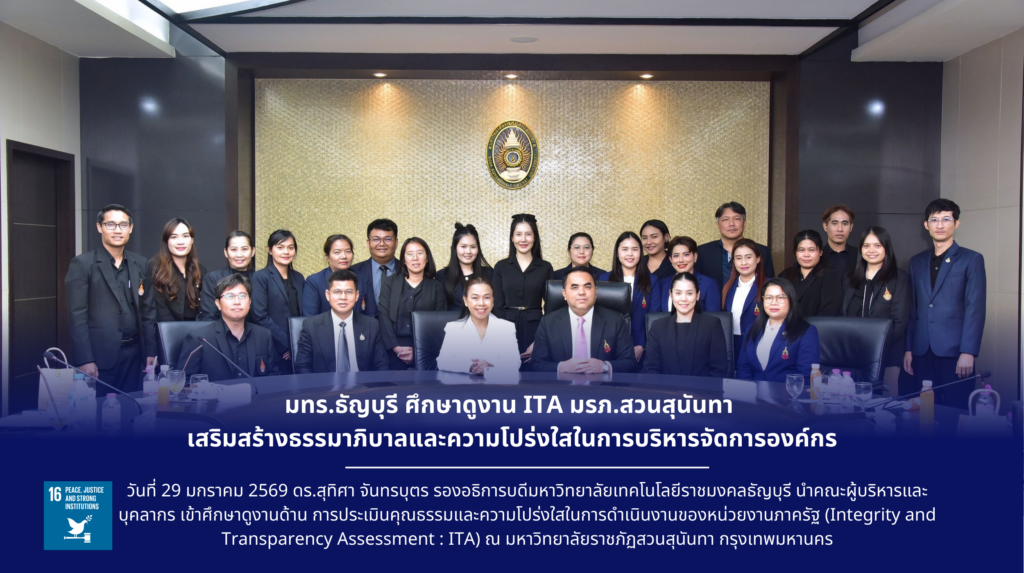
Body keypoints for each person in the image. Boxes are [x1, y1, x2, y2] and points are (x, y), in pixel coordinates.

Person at [65, 204, 156, 392]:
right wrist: (85, 359)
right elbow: (77, 316)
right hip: (98, 358)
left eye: (123, 225)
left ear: (131, 228)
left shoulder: (140, 263)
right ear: (99, 227)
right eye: (111, 224)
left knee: (132, 405)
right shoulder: (82, 264)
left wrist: (150, 351)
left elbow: (148, 311)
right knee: (99, 408)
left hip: (134, 354)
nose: (117, 230)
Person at [904, 199, 986, 408]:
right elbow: (912, 309)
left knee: (955, 411)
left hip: (955, 352)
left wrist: (968, 352)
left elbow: (975, 309)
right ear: (926, 225)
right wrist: (908, 349)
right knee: (922, 412)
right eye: (934, 220)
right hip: (921, 351)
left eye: (946, 219)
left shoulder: (971, 259)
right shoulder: (916, 262)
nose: (939, 225)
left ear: (956, 223)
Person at [531, 267, 636, 374]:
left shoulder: (615, 320)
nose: (581, 292)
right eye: (574, 287)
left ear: (595, 291)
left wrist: (605, 366)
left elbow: (630, 362)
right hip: (563, 384)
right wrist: (561, 367)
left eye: (587, 287)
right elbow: (537, 364)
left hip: (601, 383)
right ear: (564, 294)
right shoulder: (548, 322)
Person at [843, 227, 910, 393]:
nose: (871, 250)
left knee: (884, 403)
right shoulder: (850, 278)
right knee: (851, 400)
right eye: (866, 246)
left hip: (887, 354)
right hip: (854, 355)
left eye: (877, 245)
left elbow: (899, 320)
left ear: (886, 249)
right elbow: (843, 316)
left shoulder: (899, 278)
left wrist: (876, 347)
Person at [177, 274, 279, 381]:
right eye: (230, 296)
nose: (237, 302)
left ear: (249, 302)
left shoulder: (263, 336)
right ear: (218, 304)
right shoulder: (199, 339)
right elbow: (184, 381)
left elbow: (274, 375)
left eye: (242, 296)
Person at [294, 269, 389, 373]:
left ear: (357, 295)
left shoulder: (372, 325)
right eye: (337, 292)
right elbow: (302, 367)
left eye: (349, 292)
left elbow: (382, 365)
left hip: (362, 383)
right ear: (327, 295)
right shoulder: (311, 326)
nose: (343, 297)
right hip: (324, 383)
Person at [491, 214, 554, 366]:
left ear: (535, 237)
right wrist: (503, 338)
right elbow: (496, 305)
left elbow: (551, 308)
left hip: (537, 327)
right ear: (512, 238)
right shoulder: (501, 267)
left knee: (535, 372)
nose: (523, 239)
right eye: (518, 234)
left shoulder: (545, 267)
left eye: (528, 234)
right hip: (506, 327)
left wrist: (540, 340)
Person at [378, 237, 447, 370]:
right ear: (404, 260)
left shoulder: (436, 287)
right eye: (410, 254)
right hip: (392, 349)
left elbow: (439, 325)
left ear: (427, 258)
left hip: (426, 351)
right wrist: (397, 348)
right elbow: (383, 316)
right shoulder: (390, 283)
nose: (415, 258)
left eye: (420, 253)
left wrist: (419, 351)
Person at [645, 272, 729, 377]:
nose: (683, 298)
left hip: (702, 387)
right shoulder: (657, 327)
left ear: (697, 295)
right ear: (671, 294)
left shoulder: (712, 325)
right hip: (666, 387)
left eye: (689, 293)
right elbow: (651, 369)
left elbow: (718, 370)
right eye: (678, 293)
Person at [736, 278, 819, 382]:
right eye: (769, 298)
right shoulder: (752, 328)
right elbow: (743, 367)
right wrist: (749, 389)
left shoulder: (805, 331)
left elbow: (805, 375)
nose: (773, 302)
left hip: (787, 391)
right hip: (752, 391)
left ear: (791, 300)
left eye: (780, 297)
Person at [436, 276, 521, 375]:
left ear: (493, 300)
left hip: (496, 383)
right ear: (465, 301)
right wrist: (470, 366)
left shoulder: (506, 328)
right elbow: (443, 361)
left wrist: (490, 367)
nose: (481, 303)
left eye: (487, 298)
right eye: (475, 298)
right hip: (463, 384)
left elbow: (514, 364)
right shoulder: (453, 328)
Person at [599, 231, 661, 362]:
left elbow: (654, 317)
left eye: (635, 249)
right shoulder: (605, 279)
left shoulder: (652, 280)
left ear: (640, 252)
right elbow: (601, 317)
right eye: (625, 249)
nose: (630, 254)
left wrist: (641, 345)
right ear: (617, 253)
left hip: (643, 349)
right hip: (611, 348)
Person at [251, 230, 304, 374]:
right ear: (269, 250)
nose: (286, 252)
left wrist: (297, 344)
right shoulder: (260, 277)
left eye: (290, 247)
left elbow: (303, 313)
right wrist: (287, 344)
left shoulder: (299, 278)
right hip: (274, 347)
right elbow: (260, 315)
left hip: (298, 347)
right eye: (280, 247)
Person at [696, 201, 775, 289]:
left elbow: (770, 286)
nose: (731, 224)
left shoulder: (762, 251)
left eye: (737, 219)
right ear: (718, 225)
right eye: (726, 219)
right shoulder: (703, 252)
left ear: (744, 223)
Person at [146, 218, 206, 323]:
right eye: (174, 237)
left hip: (197, 329)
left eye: (185, 236)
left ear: (192, 240)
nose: (180, 242)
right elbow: (159, 308)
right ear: (166, 241)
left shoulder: (200, 270)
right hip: (167, 328)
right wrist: (175, 330)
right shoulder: (154, 268)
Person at [778, 230, 843, 317]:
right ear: (795, 252)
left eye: (811, 250)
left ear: (820, 252)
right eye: (801, 250)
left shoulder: (830, 275)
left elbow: (829, 311)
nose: (806, 255)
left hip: (818, 325)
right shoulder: (785, 275)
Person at [722, 238, 766, 355]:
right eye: (738, 258)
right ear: (734, 261)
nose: (743, 263)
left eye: (748, 257)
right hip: (731, 343)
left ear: (758, 259)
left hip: (759, 343)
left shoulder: (768, 286)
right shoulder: (727, 287)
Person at [436, 223, 493, 311]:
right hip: (453, 320)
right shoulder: (442, 276)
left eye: (473, 247)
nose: (468, 251)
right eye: (463, 246)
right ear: (455, 248)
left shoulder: (490, 274)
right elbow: (439, 310)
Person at [200, 231, 255, 321]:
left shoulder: (259, 279)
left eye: (244, 249)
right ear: (226, 252)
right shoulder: (213, 278)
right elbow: (209, 316)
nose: (239, 255)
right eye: (234, 249)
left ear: (252, 252)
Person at [657, 236, 720, 313]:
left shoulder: (709, 284)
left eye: (686, 254)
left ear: (695, 256)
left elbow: (713, 317)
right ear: (670, 259)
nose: (681, 260)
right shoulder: (662, 284)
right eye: (676, 256)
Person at [350, 219, 399, 317]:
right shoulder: (353, 272)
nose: (382, 244)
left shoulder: (408, 270)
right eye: (376, 239)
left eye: (388, 239)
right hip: (365, 326)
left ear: (396, 242)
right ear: (368, 243)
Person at [302, 234, 355, 316]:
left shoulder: (361, 278)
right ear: (327, 257)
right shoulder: (315, 281)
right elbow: (310, 317)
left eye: (348, 251)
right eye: (337, 252)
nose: (344, 256)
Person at [821, 205, 856, 277]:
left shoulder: (859, 256)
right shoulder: (818, 256)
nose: (840, 229)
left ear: (851, 227)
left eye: (845, 223)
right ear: (825, 226)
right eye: (834, 223)